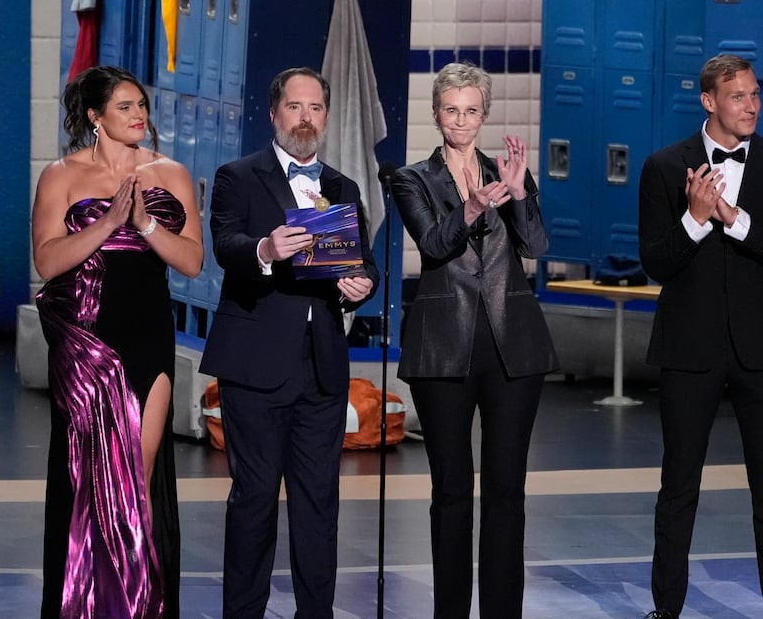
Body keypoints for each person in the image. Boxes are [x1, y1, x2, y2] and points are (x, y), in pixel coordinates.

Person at [200, 66, 380, 618]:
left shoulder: (343, 187)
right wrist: (265, 249)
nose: (306, 119)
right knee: (253, 499)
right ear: (274, 113)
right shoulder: (239, 176)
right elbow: (226, 243)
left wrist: (361, 285)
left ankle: (315, 613)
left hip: (321, 367)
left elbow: (363, 262)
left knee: (319, 502)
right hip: (255, 365)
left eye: (316, 109)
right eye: (296, 108)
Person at [637, 53, 763, 619]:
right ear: (709, 101)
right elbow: (656, 263)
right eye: (738, 97)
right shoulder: (665, 167)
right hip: (690, 350)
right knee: (679, 487)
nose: (752, 105)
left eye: (755, 94)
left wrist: (732, 218)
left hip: (762, 350)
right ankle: (666, 609)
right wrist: (694, 218)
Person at [388, 62, 559, 619]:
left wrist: (517, 194)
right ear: (437, 113)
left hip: (514, 347)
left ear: (484, 115)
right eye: (451, 110)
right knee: (452, 493)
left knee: (508, 492)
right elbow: (434, 244)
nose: (461, 121)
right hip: (444, 347)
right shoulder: (411, 178)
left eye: (471, 111)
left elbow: (534, 244)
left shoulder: (505, 171)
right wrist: (475, 205)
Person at [32, 65, 203, 618]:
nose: (139, 116)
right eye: (126, 107)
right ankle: (84, 603)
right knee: (87, 477)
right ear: (95, 116)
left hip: (149, 334)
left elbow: (194, 263)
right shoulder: (61, 175)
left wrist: (147, 224)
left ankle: (136, 605)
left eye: (141, 106)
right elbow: (47, 260)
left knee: (136, 474)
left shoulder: (172, 173)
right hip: (87, 341)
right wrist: (107, 223)